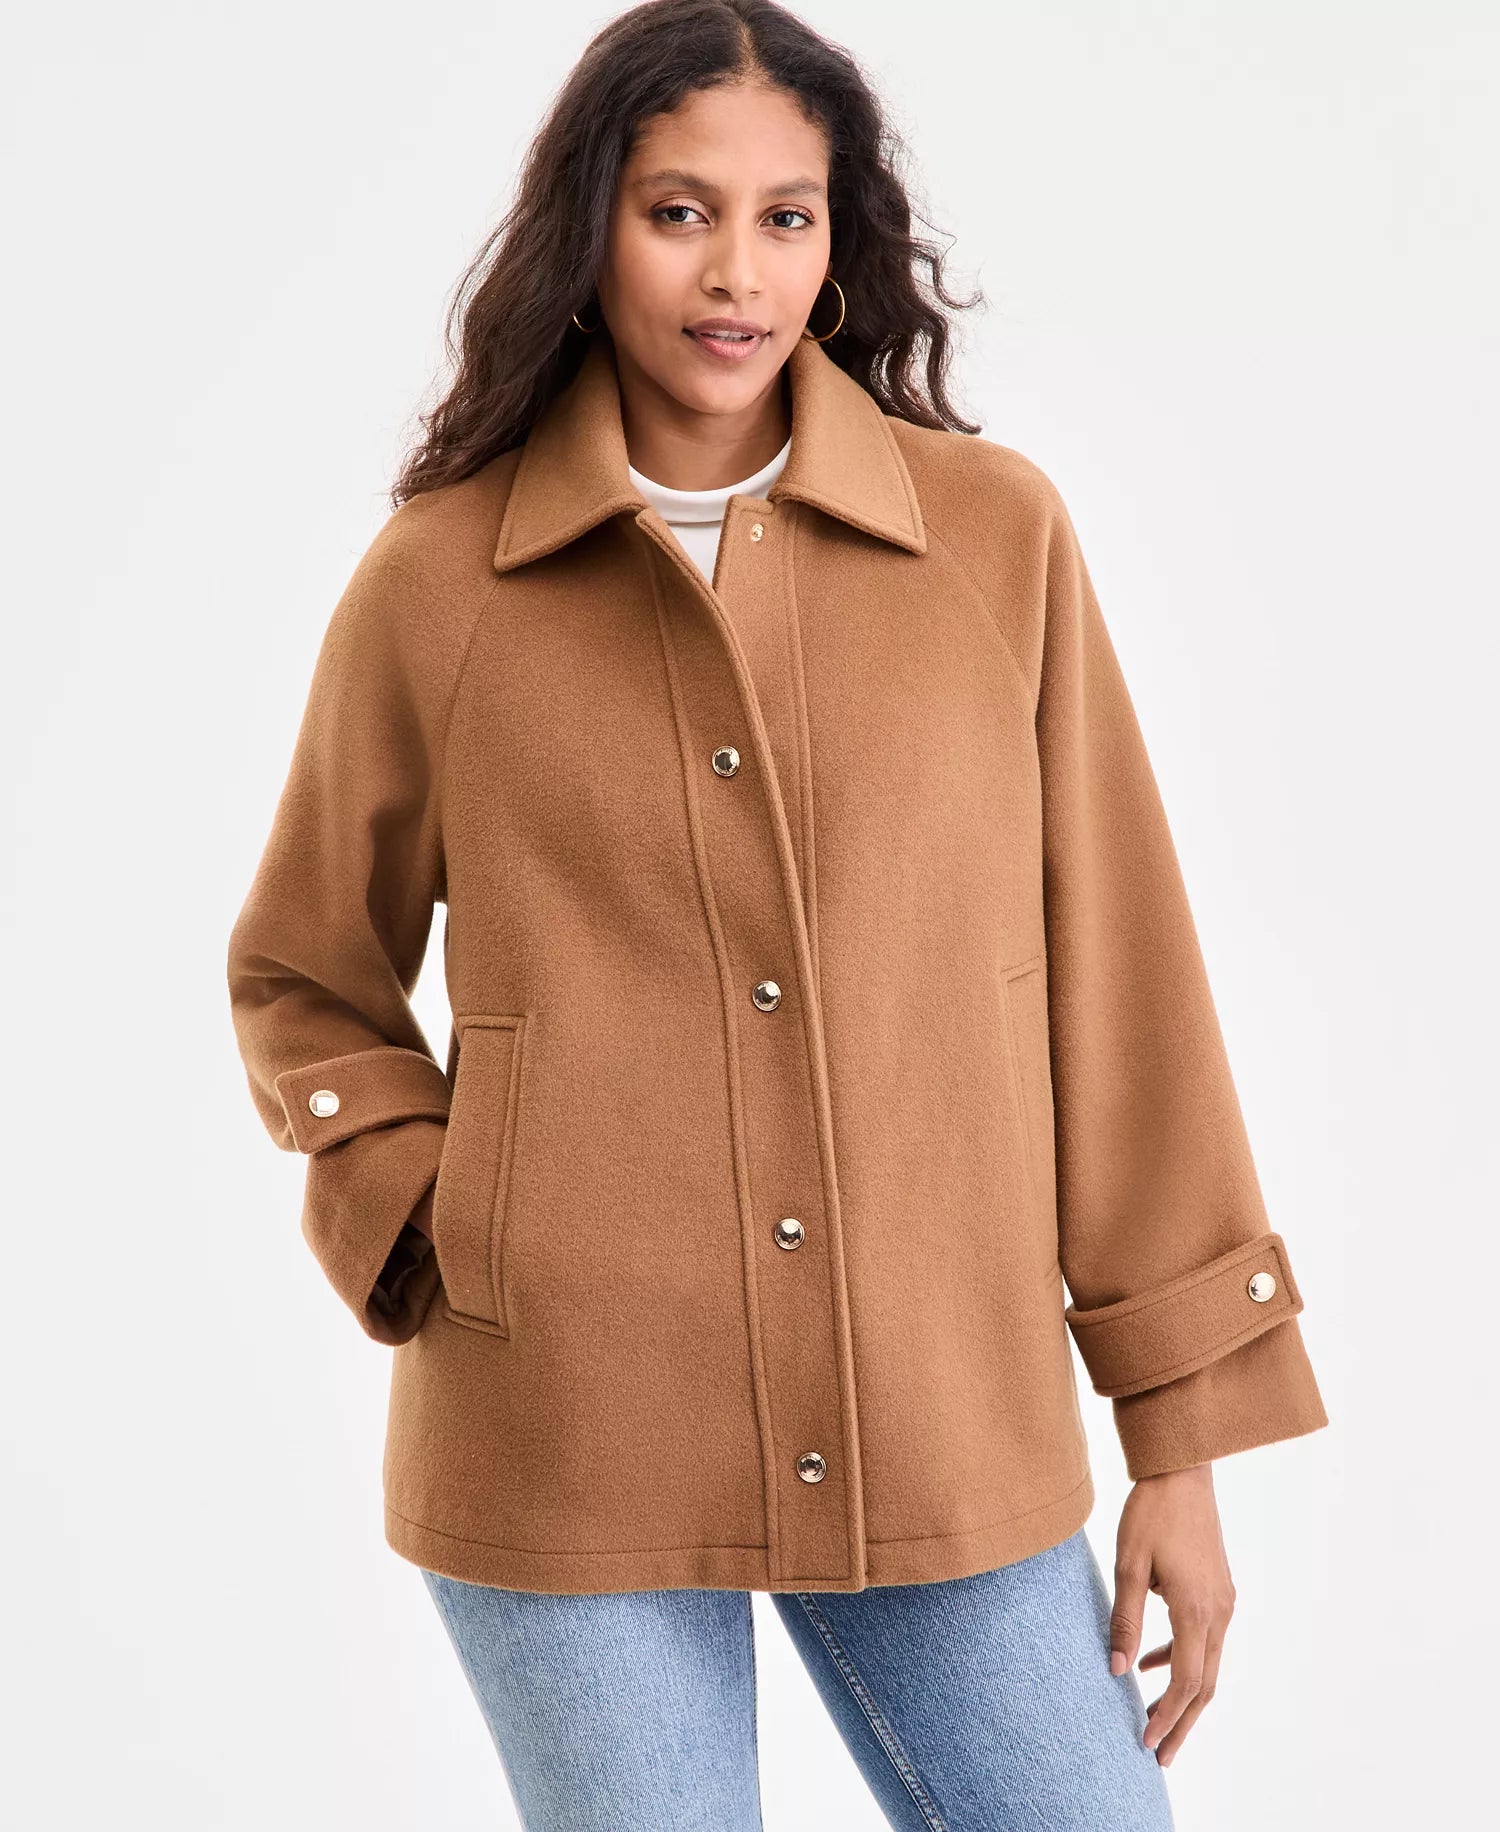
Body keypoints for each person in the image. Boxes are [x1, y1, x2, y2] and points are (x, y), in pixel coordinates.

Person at [225, 2, 1329, 1825]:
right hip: (563, 1422)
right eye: (680, 212)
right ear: (589, 227)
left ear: (839, 241)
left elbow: (1120, 986)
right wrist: (437, 1223)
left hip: (942, 1406)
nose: (736, 272)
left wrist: (1181, 1439)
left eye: (785, 217)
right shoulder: (441, 580)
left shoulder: (991, 541)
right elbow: (302, 971)